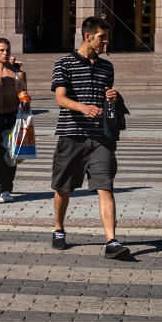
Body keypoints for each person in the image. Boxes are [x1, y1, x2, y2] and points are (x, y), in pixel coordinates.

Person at [50, 16, 132, 259]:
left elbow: (105, 97)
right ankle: (58, 228)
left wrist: (114, 97)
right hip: (72, 135)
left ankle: (111, 241)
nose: (106, 41)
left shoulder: (107, 66)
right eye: (102, 37)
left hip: (101, 138)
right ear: (88, 36)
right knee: (64, 188)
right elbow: (60, 99)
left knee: (105, 186)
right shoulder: (63, 63)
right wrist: (83, 107)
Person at [0, 37, 27, 202]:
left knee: (11, 155)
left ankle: (5, 188)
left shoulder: (17, 73)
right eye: (1, 50)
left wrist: (25, 101)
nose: (5, 53)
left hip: (12, 117)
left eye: (7, 50)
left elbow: (23, 93)